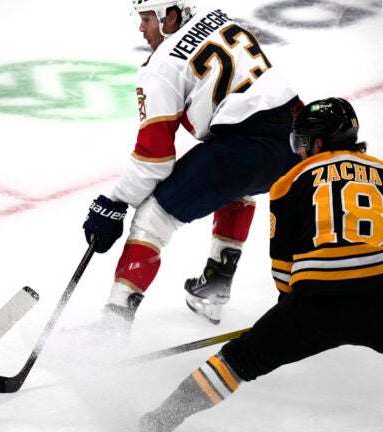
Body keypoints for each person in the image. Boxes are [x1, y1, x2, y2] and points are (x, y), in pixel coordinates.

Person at [138, 98, 383, 431]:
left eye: (302, 142)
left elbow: (284, 272)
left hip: (315, 305)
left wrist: (287, 319)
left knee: (238, 361)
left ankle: (158, 422)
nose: (298, 150)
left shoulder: (289, 181)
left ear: (319, 143)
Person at [82, 0, 302, 327]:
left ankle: (113, 325)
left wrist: (116, 202)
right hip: (299, 141)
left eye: (147, 19)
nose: (141, 28)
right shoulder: (216, 16)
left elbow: (154, 160)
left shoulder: (161, 67)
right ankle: (214, 288)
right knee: (238, 183)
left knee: (153, 218)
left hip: (246, 148)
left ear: (170, 16)